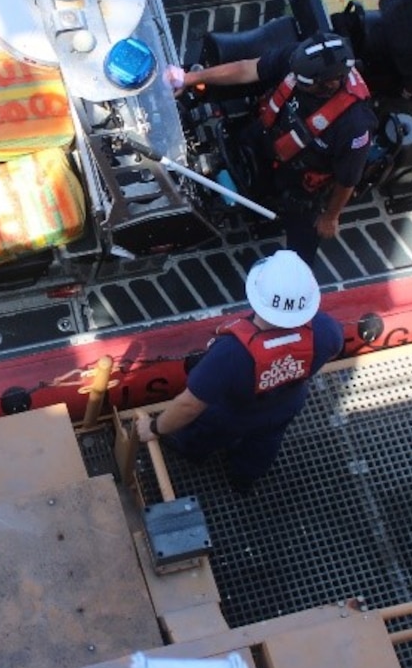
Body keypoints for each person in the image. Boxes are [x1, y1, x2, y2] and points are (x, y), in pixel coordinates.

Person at [135, 250, 343, 494]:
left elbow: (188, 406)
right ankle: (243, 480)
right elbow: (331, 352)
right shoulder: (326, 330)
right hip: (285, 406)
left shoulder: (230, 354)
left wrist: (154, 427)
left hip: (230, 415)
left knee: (199, 436)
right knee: (265, 445)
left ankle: (192, 454)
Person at [180, 32, 379, 262]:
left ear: (330, 83)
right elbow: (248, 69)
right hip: (264, 133)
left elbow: (347, 180)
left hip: (298, 178)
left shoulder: (354, 126)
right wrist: (190, 78)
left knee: (303, 244)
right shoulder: (299, 59)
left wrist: (331, 216)